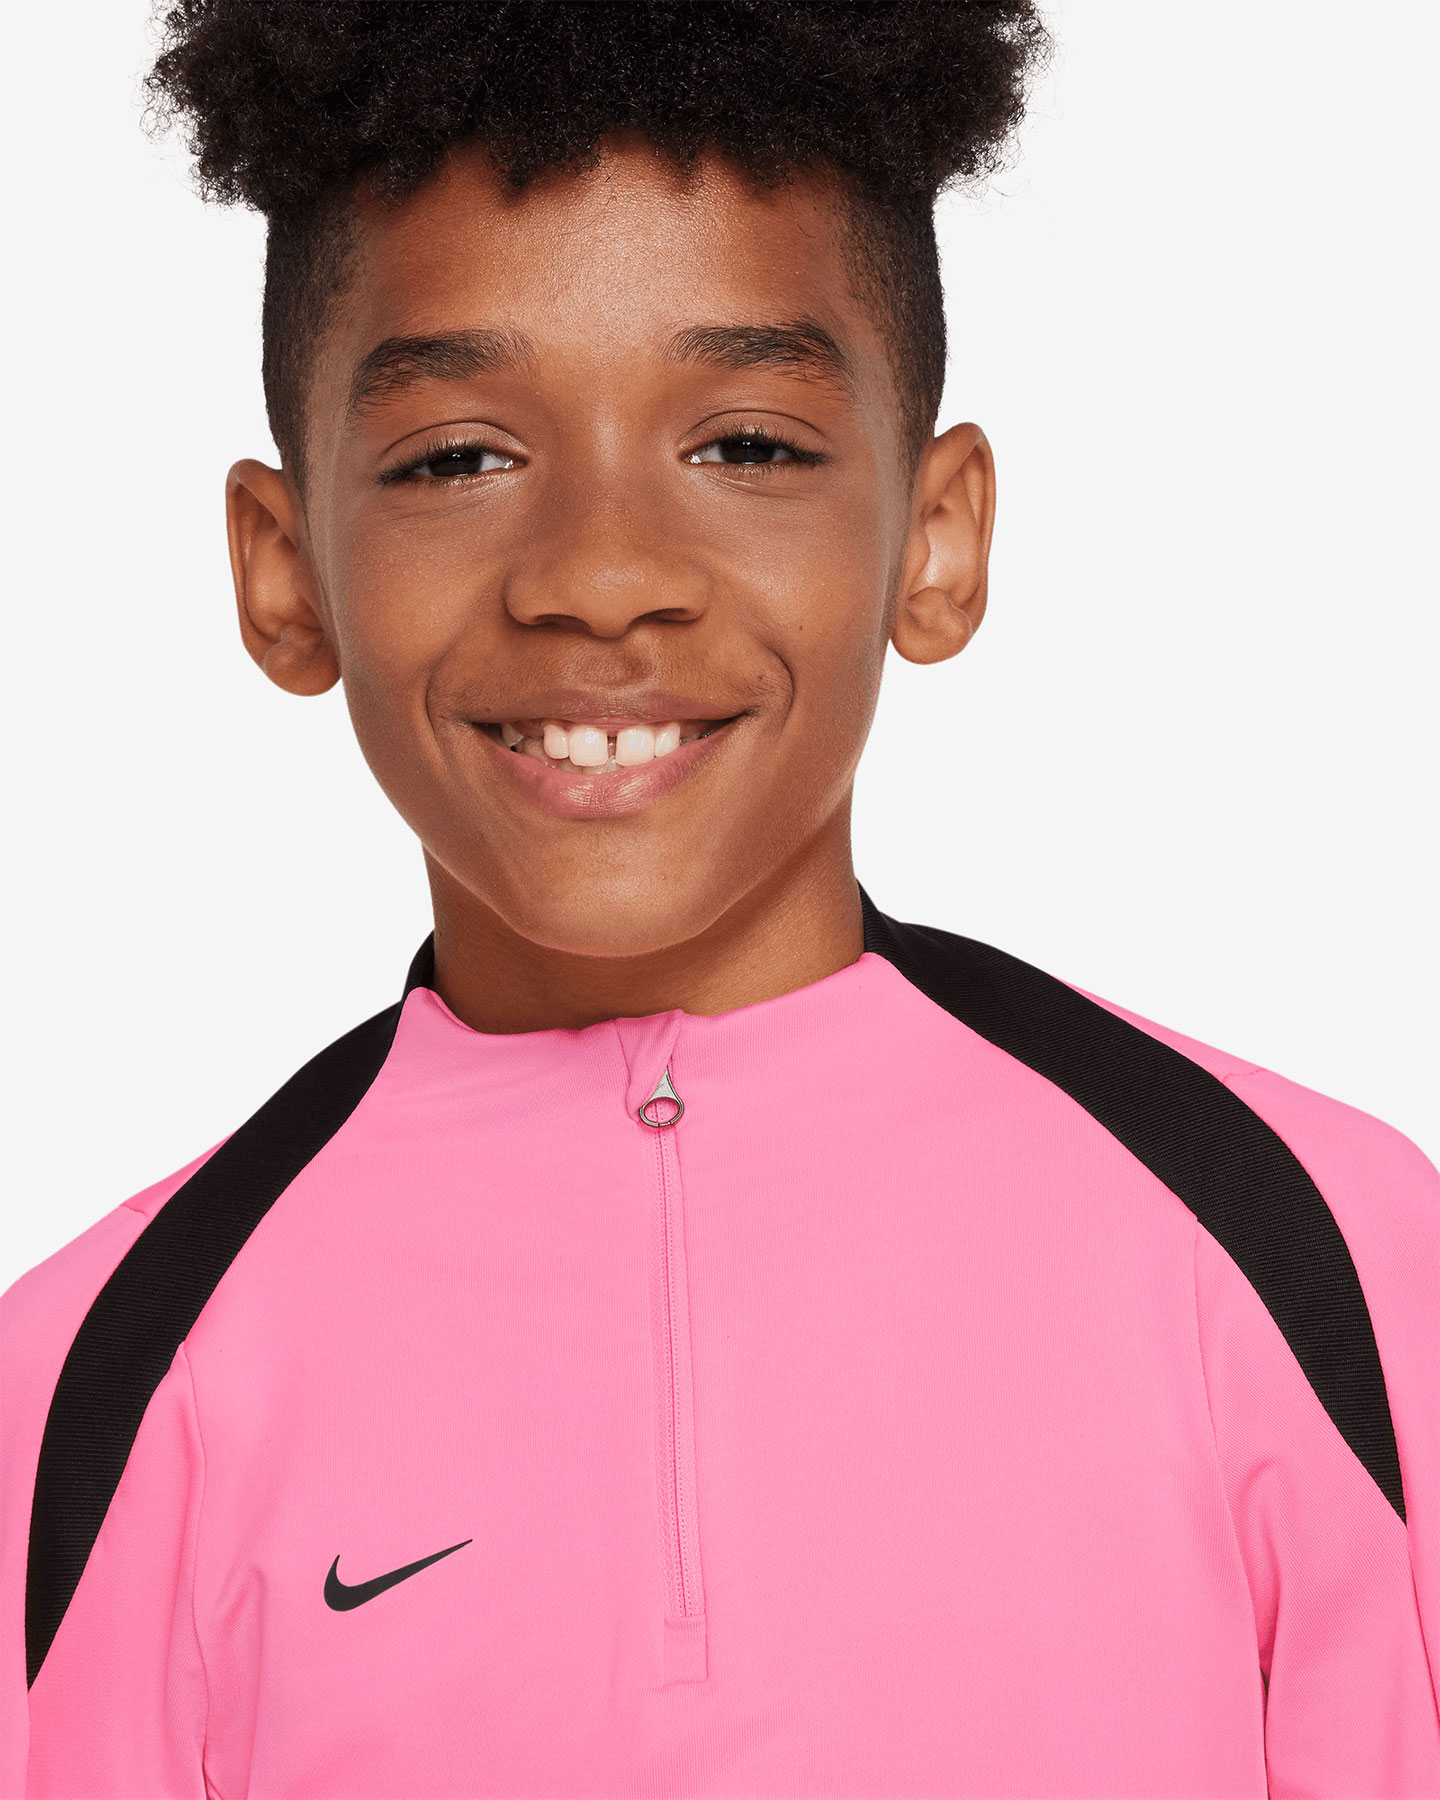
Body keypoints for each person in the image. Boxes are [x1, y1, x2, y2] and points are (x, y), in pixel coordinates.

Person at [3, 2, 1437, 1793]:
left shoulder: (1327, 1258)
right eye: (459, 456)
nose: (604, 576)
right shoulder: (94, 1392)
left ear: (936, 538)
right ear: (286, 576)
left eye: (746, 445)